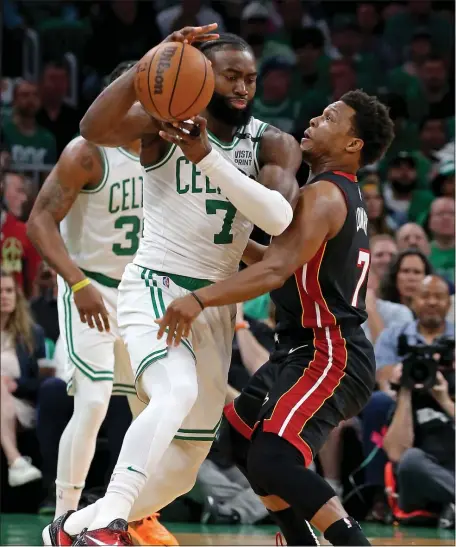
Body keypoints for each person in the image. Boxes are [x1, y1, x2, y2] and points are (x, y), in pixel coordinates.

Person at [44, 26, 301, 546]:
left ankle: (71, 529)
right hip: (153, 286)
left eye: (250, 78)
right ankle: (112, 523)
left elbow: (275, 219)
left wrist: (206, 155)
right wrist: (152, 61)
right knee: (172, 389)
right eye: (231, 76)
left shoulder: (273, 142)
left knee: (185, 466)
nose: (243, 88)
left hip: (215, 304)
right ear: (202, 76)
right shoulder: (161, 125)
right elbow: (92, 125)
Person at [156, 90, 395, 545]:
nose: (313, 119)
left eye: (329, 118)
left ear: (352, 144)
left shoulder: (324, 195)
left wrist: (199, 299)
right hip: (303, 349)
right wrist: (230, 241)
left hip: (330, 351)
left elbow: (275, 271)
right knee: (244, 433)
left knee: (273, 458)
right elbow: (283, 263)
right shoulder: (333, 192)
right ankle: (298, 540)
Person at [28, 61, 176, 546]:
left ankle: (136, 514)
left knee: (153, 406)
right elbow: (40, 222)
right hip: (88, 286)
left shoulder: (167, 150)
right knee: (91, 404)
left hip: (141, 291)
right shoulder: (88, 152)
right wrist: (75, 282)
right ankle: (64, 519)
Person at [379, 276, 455, 527]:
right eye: (425, 296)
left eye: (439, 296)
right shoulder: (405, 380)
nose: (432, 302)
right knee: (411, 462)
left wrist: (444, 399)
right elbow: (397, 453)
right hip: (419, 480)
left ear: (448, 303)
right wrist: (405, 391)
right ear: (413, 302)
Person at [1, 269, 45, 486]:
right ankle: (16, 462)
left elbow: (40, 382)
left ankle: (16, 461)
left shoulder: (31, 334)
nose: (4, 296)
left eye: (9, 290)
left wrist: (15, 384)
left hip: (21, 406)